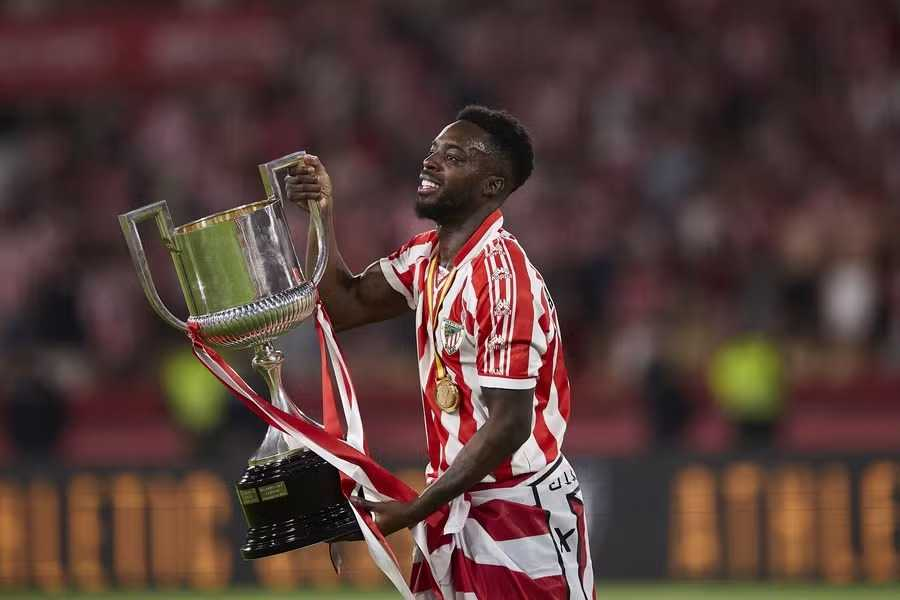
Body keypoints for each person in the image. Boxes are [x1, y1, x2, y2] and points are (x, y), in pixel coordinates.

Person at [286, 106, 595, 599]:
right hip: (452, 503)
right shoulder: (426, 258)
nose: (430, 163)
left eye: (452, 157)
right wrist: (321, 216)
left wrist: (415, 508)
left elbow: (509, 425)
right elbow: (342, 306)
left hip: (518, 513)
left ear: (490, 186)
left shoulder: (502, 281)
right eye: (432, 152)